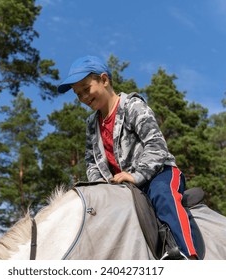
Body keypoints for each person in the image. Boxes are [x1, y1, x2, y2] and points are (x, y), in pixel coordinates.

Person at [58, 55, 198, 260]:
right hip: (121, 186)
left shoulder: (132, 106)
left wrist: (136, 175)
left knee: (162, 196)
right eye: (78, 94)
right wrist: (101, 189)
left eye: (86, 89)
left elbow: (156, 145)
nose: (83, 98)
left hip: (158, 173)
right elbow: (92, 162)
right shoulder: (91, 124)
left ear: (104, 80)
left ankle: (186, 256)